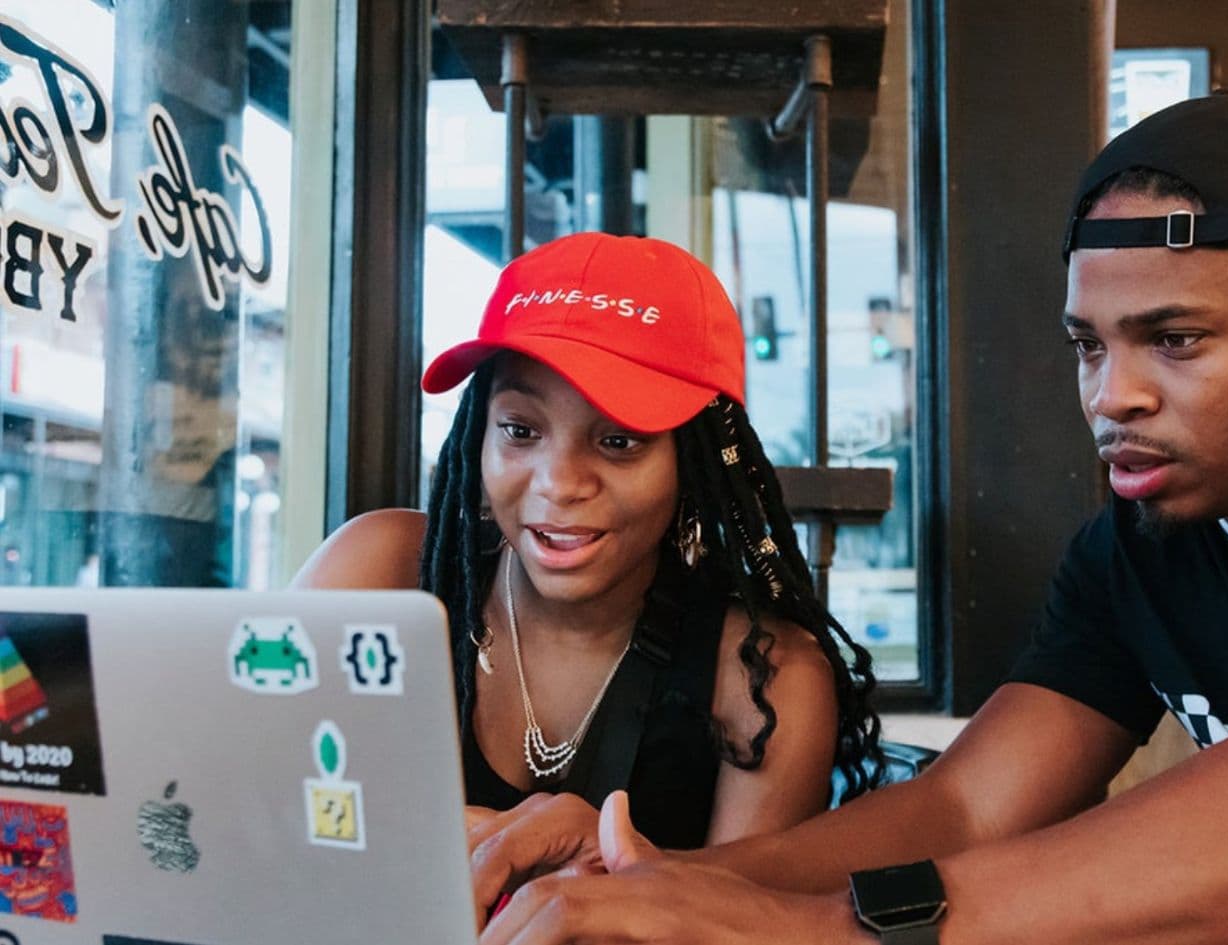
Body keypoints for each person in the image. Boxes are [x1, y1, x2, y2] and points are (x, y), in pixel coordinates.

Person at [468, 92, 1228, 945]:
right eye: (1088, 346)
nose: (1114, 394)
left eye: (1176, 338)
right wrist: (668, 886)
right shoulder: (1134, 556)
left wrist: (833, 932)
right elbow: (966, 807)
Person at [292, 233, 883, 870]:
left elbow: (735, 925)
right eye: (520, 431)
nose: (559, 483)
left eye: (619, 441)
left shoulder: (763, 680)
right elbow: (248, 812)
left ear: (692, 461)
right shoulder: (380, 575)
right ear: (479, 434)